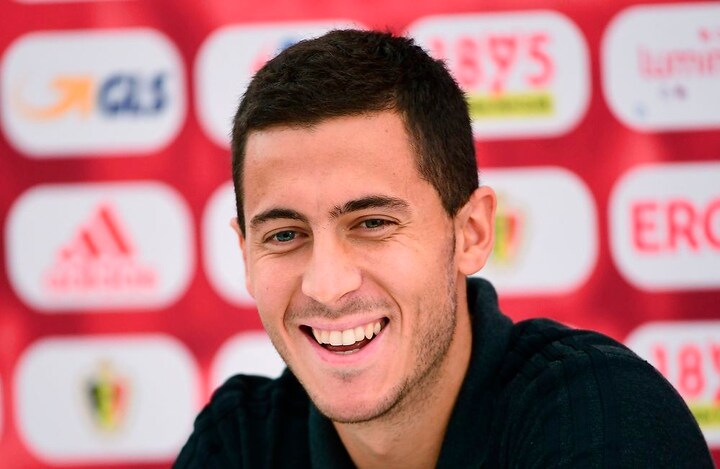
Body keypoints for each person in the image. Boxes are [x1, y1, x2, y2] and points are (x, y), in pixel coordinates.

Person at [175, 29, 714, 468]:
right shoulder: (240, 441)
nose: (327, 285)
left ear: (471, 233)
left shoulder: (601, 417)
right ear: (246, 256)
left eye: (373, 223)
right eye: (284, 235)